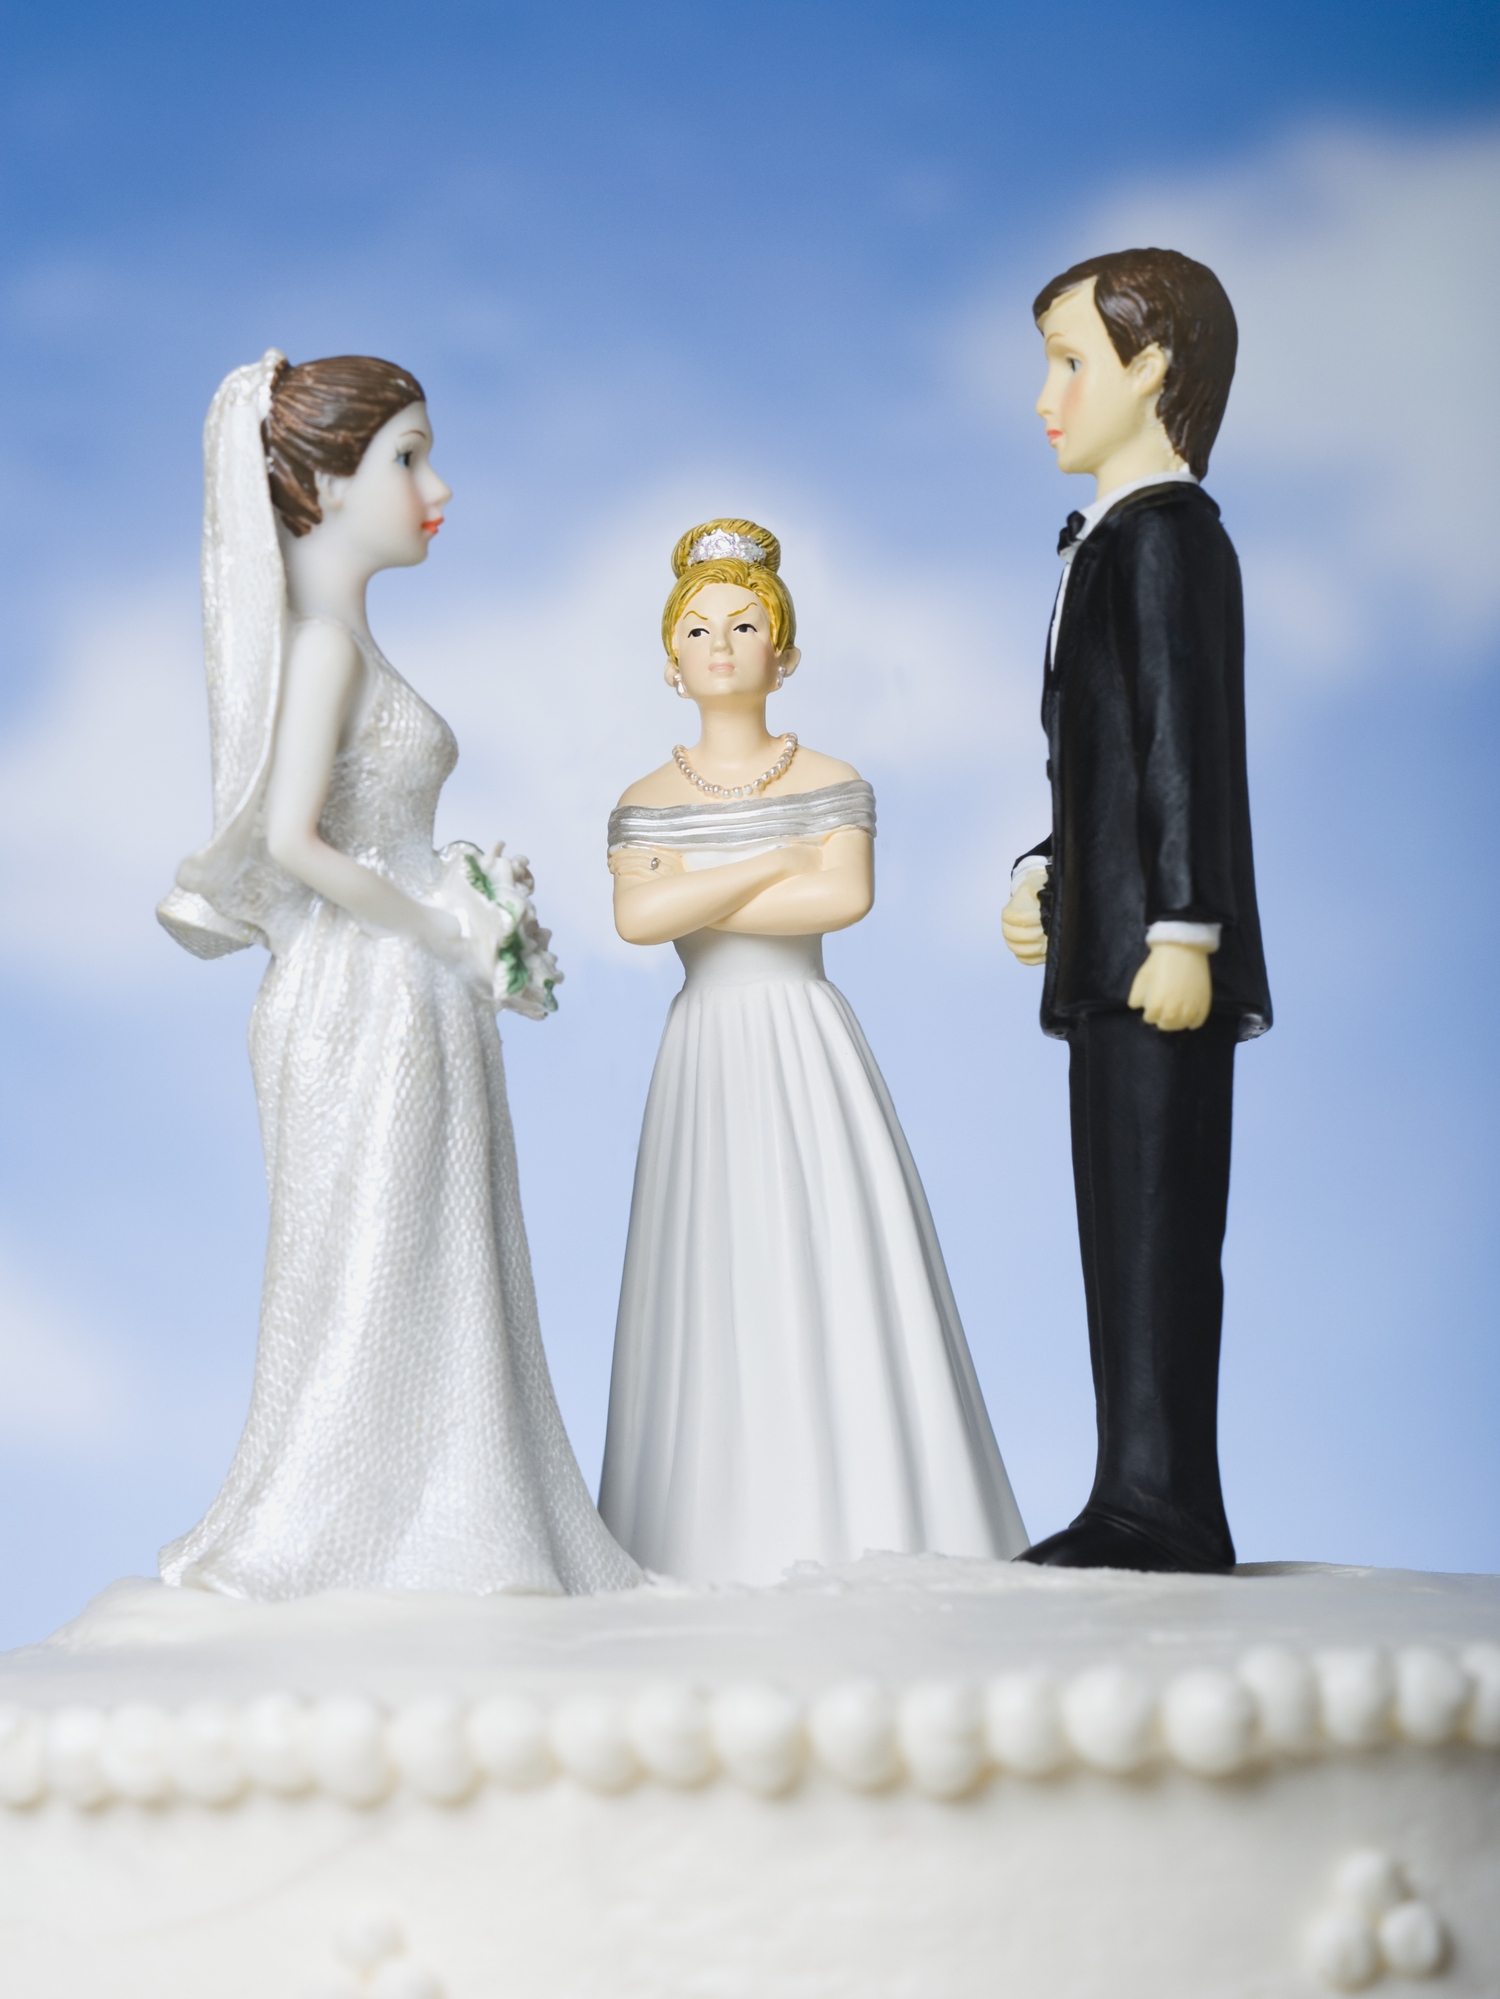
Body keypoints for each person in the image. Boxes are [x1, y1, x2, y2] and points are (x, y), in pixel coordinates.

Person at [156, 350, 638, 1599]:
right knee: (372, 1256)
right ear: (317, 482)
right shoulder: (324, 652)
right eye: (408, 457)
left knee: (435, 1251)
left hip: (406, 992)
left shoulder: (348, 646)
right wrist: (438, 924)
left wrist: (461, 920)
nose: (439, 486)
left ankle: (464, 1491)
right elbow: (289, 842)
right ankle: (362, 1520)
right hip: (369, 993)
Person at [598, 518, 1027, 1585]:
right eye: (699, 628)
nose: (723, 643)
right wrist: (764, 862)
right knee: (710, 1262)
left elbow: (842, 896)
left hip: (805, 1037)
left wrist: (705, 878)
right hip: (703, 1050)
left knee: (831, 1245)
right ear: (668, 659)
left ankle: (866, 1514)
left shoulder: (833, 777)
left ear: (783, 652)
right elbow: (636, 923)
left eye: (746, 625)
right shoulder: (643, 799)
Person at [1001, 251, 1272, 1574]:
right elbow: (1098, 756)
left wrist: (1187, 922)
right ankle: (1130, 1485)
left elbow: (1187, 748)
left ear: (1150, 365)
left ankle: (1169, 1500)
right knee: (1115, 1214)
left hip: (1160, 952)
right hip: (1107, 944)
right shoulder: (1107, 543)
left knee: (1164, 1219)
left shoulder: (1172, 542)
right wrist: (1049, 866)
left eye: (1070, 360)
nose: (1047, 395)